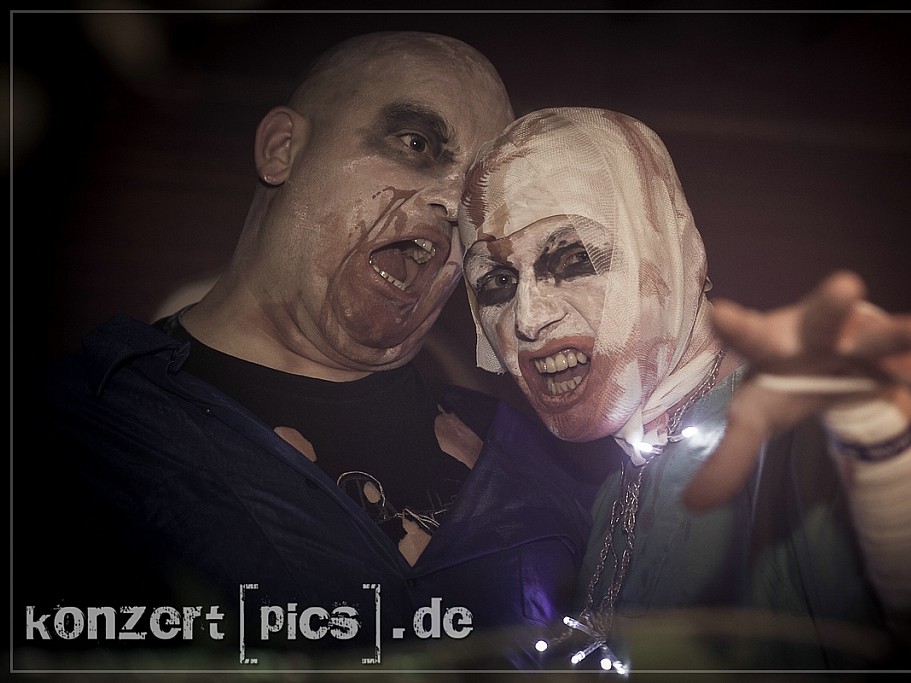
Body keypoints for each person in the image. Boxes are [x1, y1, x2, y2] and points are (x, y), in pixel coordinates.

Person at [14, 34, 595, 670]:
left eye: (481, 189)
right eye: (416, 144)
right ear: (282, 149)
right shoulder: (76, 433)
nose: (455, 202)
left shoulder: (541, 453)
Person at [458, 107, 911, 672]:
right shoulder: (614, 492)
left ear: (663, 246)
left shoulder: (793, 433)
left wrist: (884, 441)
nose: (528, 318)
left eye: (574, 258)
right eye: (497, 282)